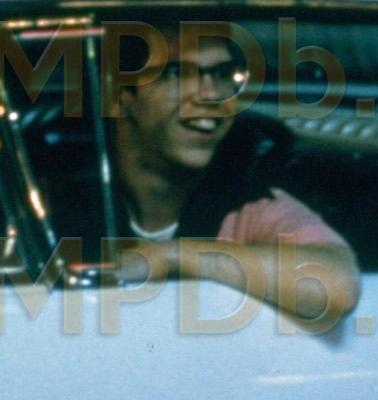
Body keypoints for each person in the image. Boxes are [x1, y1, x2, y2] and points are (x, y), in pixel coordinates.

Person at [91, 21, 361, 322]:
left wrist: (172, 255)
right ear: (122, 96)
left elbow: (339, 287)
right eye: (178, 73)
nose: (211, 95)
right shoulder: (61, 193)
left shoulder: (248, 200)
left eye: (222, 74)